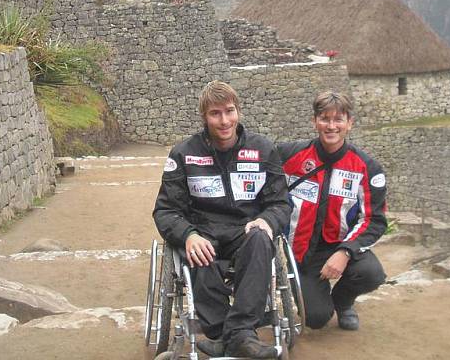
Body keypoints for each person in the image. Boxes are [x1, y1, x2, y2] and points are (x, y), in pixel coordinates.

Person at [153, 81, 291, 359]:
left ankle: (233, 336)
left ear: (238, 111)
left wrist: (267, 221)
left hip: (247, 230)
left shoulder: (263, 150)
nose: (224, 120)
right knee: (200, 254)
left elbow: (280, 203)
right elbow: (165, 210)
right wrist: (189, 235)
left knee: (261, 239)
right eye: (216, 113)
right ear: (204, 116)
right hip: (203, 232)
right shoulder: (183, 153)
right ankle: (235, 336)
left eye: (230, 111)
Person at [277, 91, 387, 331]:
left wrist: (346, 252)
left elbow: (374, 220)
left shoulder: (366, 167)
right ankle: (319, 300)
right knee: (316, 319)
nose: (331, 126)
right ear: (314, 121)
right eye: (325, 119)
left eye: (338, 119)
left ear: (350, 123)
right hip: (305, 253)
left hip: (344, 247)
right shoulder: (289, 156)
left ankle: (344, 302)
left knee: (372, 274)